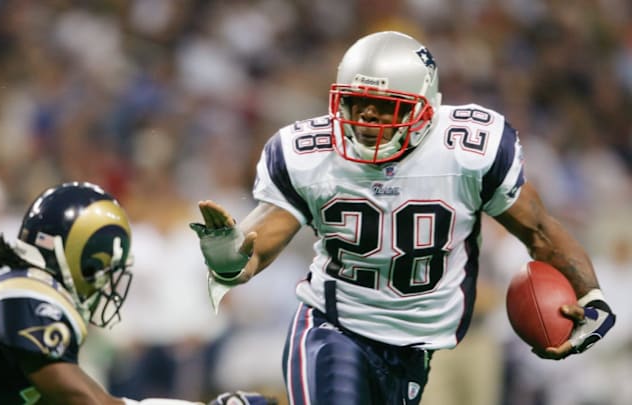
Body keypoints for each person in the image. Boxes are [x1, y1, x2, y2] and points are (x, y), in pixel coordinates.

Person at [190, 31, 616, 405]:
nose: (367, 118)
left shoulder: (469, 151)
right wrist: (228, 255)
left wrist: (590, 297)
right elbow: (256, 246)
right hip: (335, 326)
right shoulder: (309, 153)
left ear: (423, 109)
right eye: (357, 103)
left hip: (416, 346)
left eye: (383, 107)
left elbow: (539, 231)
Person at [0, 181, 276, 405]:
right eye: (102, 266)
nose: (103, 280)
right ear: (79, 255)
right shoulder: (26, 292)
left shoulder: (13, 282)